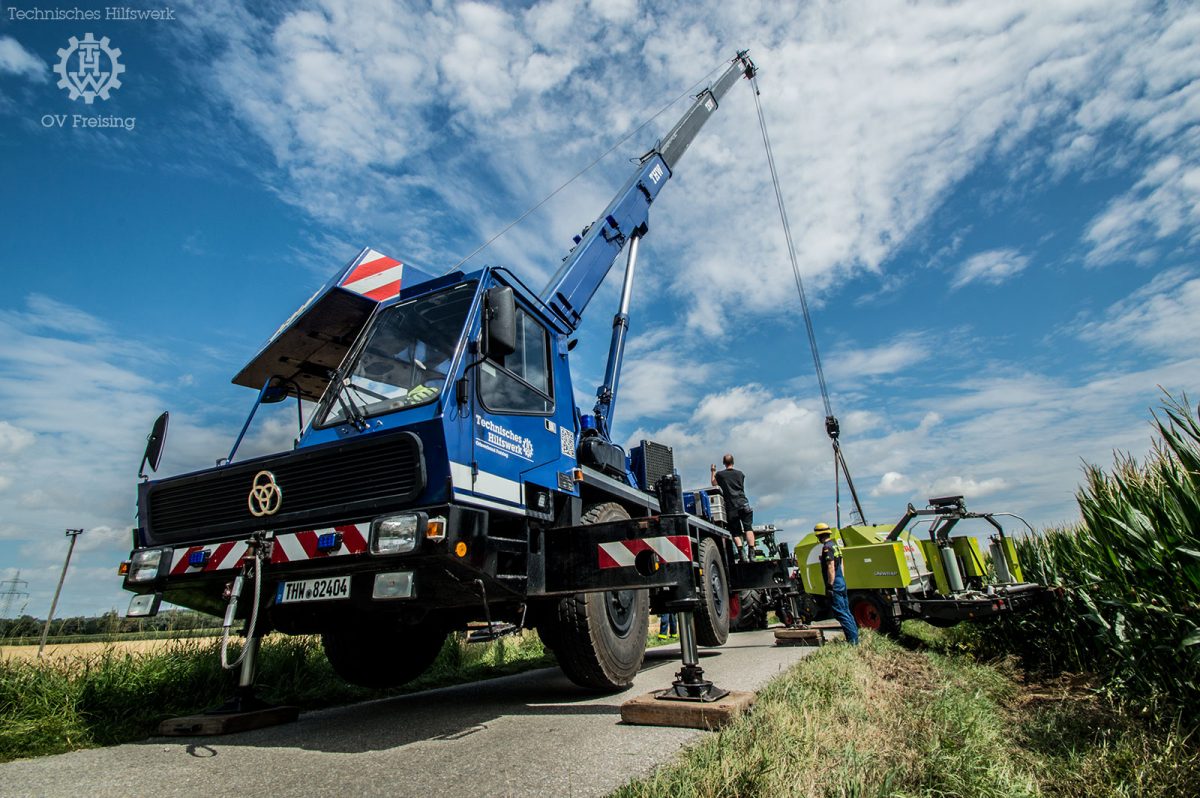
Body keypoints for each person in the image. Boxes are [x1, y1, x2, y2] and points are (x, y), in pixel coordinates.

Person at [816, 522, 859, 645]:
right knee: (846, 611)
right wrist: (841, 579)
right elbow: (842, 564)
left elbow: (831, 566)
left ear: (818, 536)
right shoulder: (835, 545)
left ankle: (853, 642)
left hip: (835, 585)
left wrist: (830, 585)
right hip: (841, 582)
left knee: (841, 613)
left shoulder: (827, 548)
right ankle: (854, 638)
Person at [711, 454, 758, 559]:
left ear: (724, 463)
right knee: (748, 528)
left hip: (731, 506)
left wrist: (713, 470)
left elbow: (714, 483)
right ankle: (752, 553)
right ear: (733, 462)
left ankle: (742, 554)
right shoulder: (740, 474)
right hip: (743, 503)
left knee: (735, 532)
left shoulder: (720, 475)